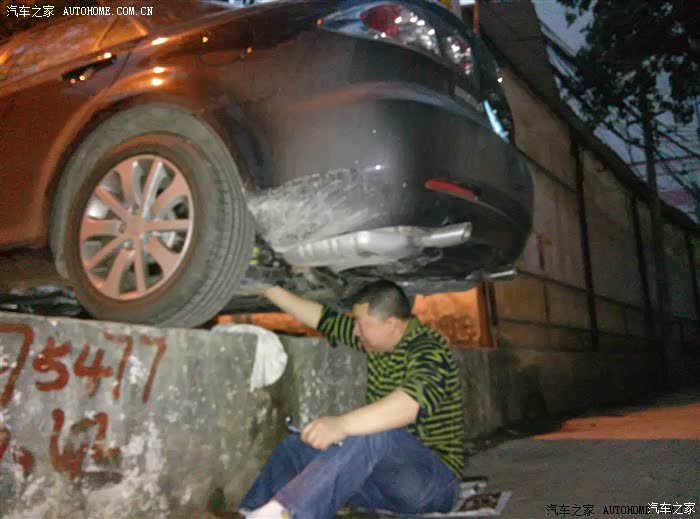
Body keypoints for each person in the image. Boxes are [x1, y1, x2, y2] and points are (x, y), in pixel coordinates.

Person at [237, 280, 465, 519]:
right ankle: (249, 512)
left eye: (360, 323)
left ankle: (287, 514)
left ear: (391, 324)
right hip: (381, 488)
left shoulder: (430, 351)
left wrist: (341, 425)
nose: (355, 331)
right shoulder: (375, 340)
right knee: (296, 447)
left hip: (431, 486)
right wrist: (268, 288)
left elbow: (409, 406)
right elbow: (322, 318)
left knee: (374, 434)